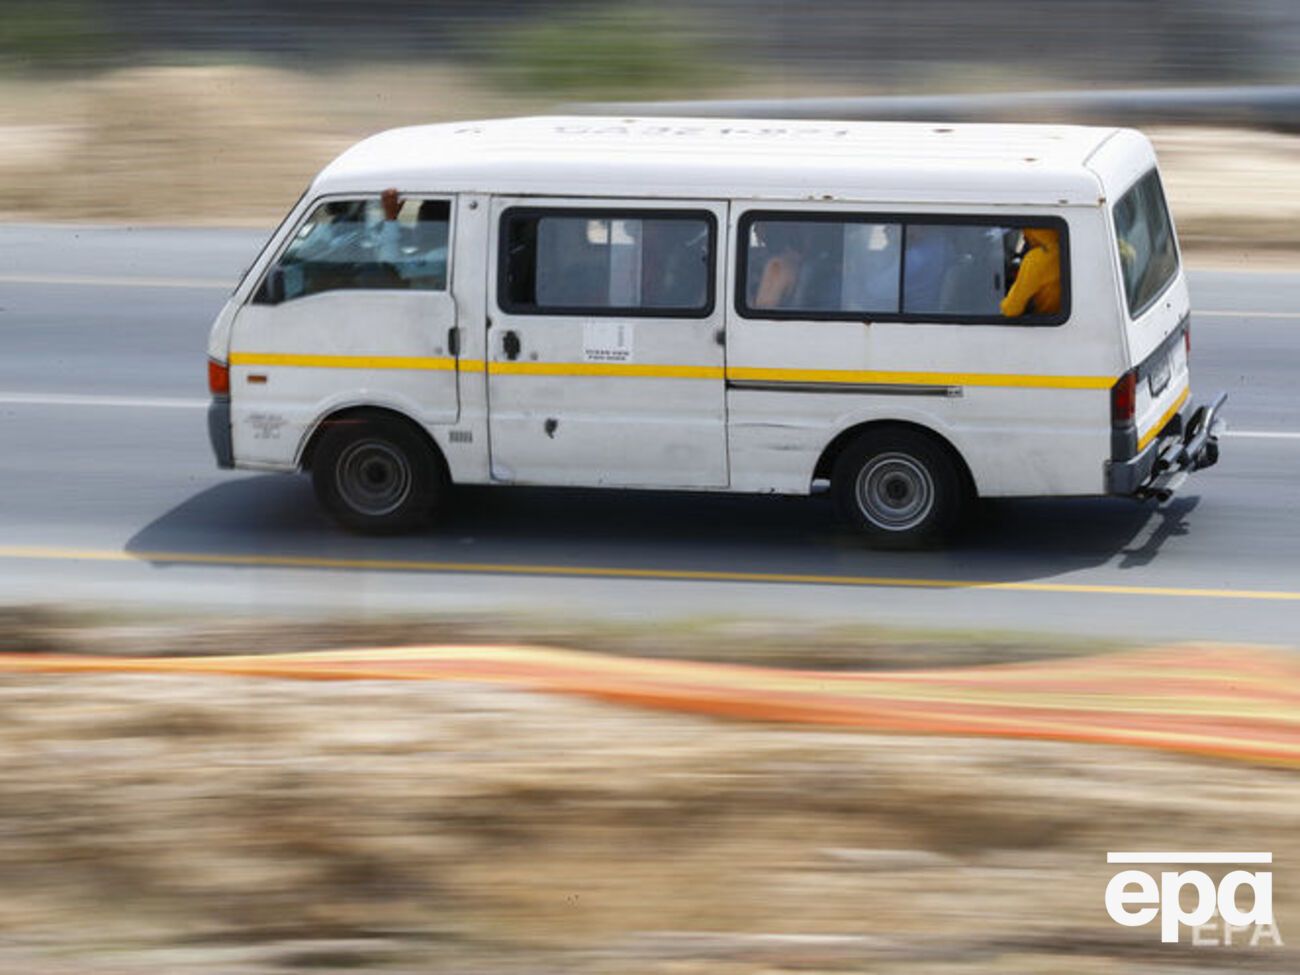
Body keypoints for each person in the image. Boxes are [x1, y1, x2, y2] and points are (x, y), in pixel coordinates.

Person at [1000, 227, 1061, 317]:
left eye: (1026, 231)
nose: (1024, 236)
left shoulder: (1037, 260)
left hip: (1045, 323)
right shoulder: (1066, 248)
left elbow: (1010, 310)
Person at [753, 223, 807, 309]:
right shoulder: (799, 263)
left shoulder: (777, 265)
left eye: (761, 226)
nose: (755, 230)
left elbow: (765, 306)